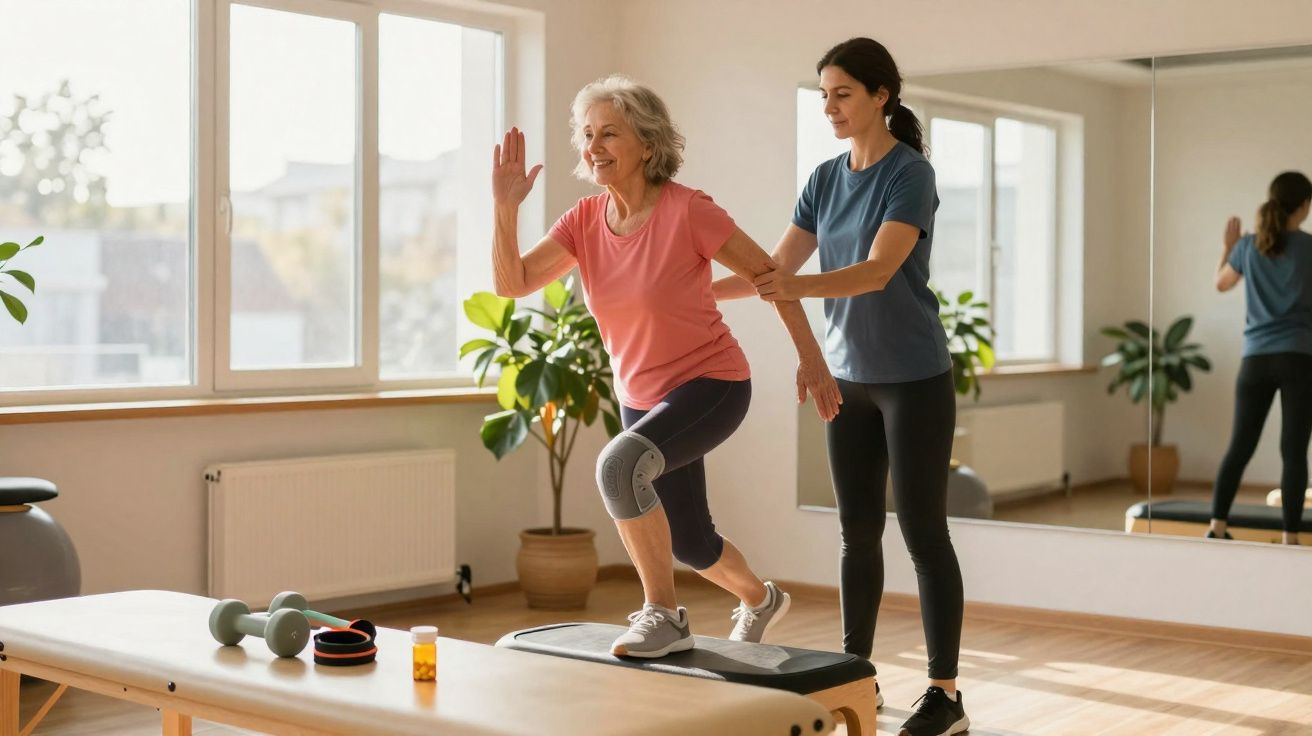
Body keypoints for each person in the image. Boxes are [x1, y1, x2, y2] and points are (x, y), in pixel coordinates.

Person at [490, 75, 842, 658]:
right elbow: (513, 283)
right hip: (641, 393)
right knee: (691, 543)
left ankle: (663, 614)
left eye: (609, 133)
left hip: (712, 383)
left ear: (647, 145)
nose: (593, 145)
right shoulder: (583, 220)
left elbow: (769, 278)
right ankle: (760, 599)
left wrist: (812, 359)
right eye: (586, 134)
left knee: (619, 466)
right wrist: (504, 209)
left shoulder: (689, 211)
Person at [715, 37, 968, 736]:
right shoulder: (824, 177)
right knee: (858, 535)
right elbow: (774, 265)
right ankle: (857, 674)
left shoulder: (909, 174)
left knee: (923, 533)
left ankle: (945, 693)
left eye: (843, 93)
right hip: (848, 380)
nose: (829, 106)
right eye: (823, 94)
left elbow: (880, 268)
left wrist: (788, 286)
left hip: (914, 379)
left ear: (882, 95)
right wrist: (698, 293)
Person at [1210, 171, 1312, 546]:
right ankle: (1290, 538)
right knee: (1294, 451)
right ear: (1303, 206)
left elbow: (1220, 284)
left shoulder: (1248, 246)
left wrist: (1228, 246)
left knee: (1239, 446)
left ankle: (1217, 527)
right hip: (1299, 358)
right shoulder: (1309, 247)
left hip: (1255, 361)